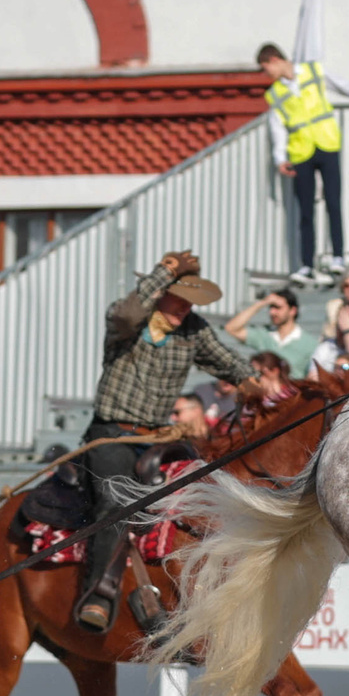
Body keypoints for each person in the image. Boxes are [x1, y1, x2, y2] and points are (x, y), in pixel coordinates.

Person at [71, 251, 256, 630]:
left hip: (157, 438)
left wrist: (253, 382)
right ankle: (100, 594)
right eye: (181, 298)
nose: (186, 308)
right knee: (116, 501)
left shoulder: (193, 329)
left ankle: (198, 598)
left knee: (204, 490)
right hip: (110, 435)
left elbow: (226, 360)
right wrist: (164, 272)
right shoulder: (125, 323)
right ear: (161, 293)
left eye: (191, 301)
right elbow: (126, 314)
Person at [259, 41, 349, 282]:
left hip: (327, 144)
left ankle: (337, 257)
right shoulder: (275, 94)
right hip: (301, 152)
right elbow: (277, 128)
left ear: (274, 60)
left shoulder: (313, 71)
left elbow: (347, 88)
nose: (265, 74)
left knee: (333, 202)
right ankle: (306, 265)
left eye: (264, 68)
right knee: (305, 211)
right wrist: (280, 158)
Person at [223, 288, 321, 375]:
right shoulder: (264, 335)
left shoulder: (310, 344)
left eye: (277, 307)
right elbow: (231, 328)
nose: (272, 312)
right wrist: (262, 303)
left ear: (293, 310)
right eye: (270, 307)